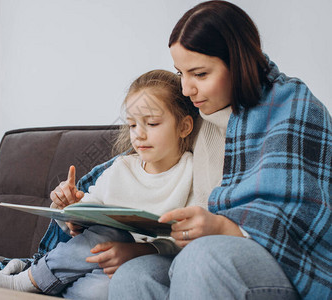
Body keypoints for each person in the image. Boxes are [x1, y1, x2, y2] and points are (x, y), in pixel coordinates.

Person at [106, 1, 331, 300]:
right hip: (201, 251)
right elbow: (139, 157)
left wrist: (224, 226)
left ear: (239, 63)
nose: (186, 89)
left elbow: (304, 217)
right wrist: (78, 201)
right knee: (135, 275)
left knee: (202, 257)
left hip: (283, 261)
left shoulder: (294, 107)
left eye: (199, 74)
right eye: (180, 73)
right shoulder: (195, 115)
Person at [0, 69, 201, 299]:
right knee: (109, 231)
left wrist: (140, 250)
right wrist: (72, 209)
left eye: (152, 123)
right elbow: (85, 221)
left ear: (184, 126)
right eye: (132, 125)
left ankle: (44, 282)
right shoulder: (121, 168)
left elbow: (189, 239)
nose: (139, 134)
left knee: (99, 292)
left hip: (141, 265)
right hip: (97, 253)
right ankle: (26, 281)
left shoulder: (193, 173)